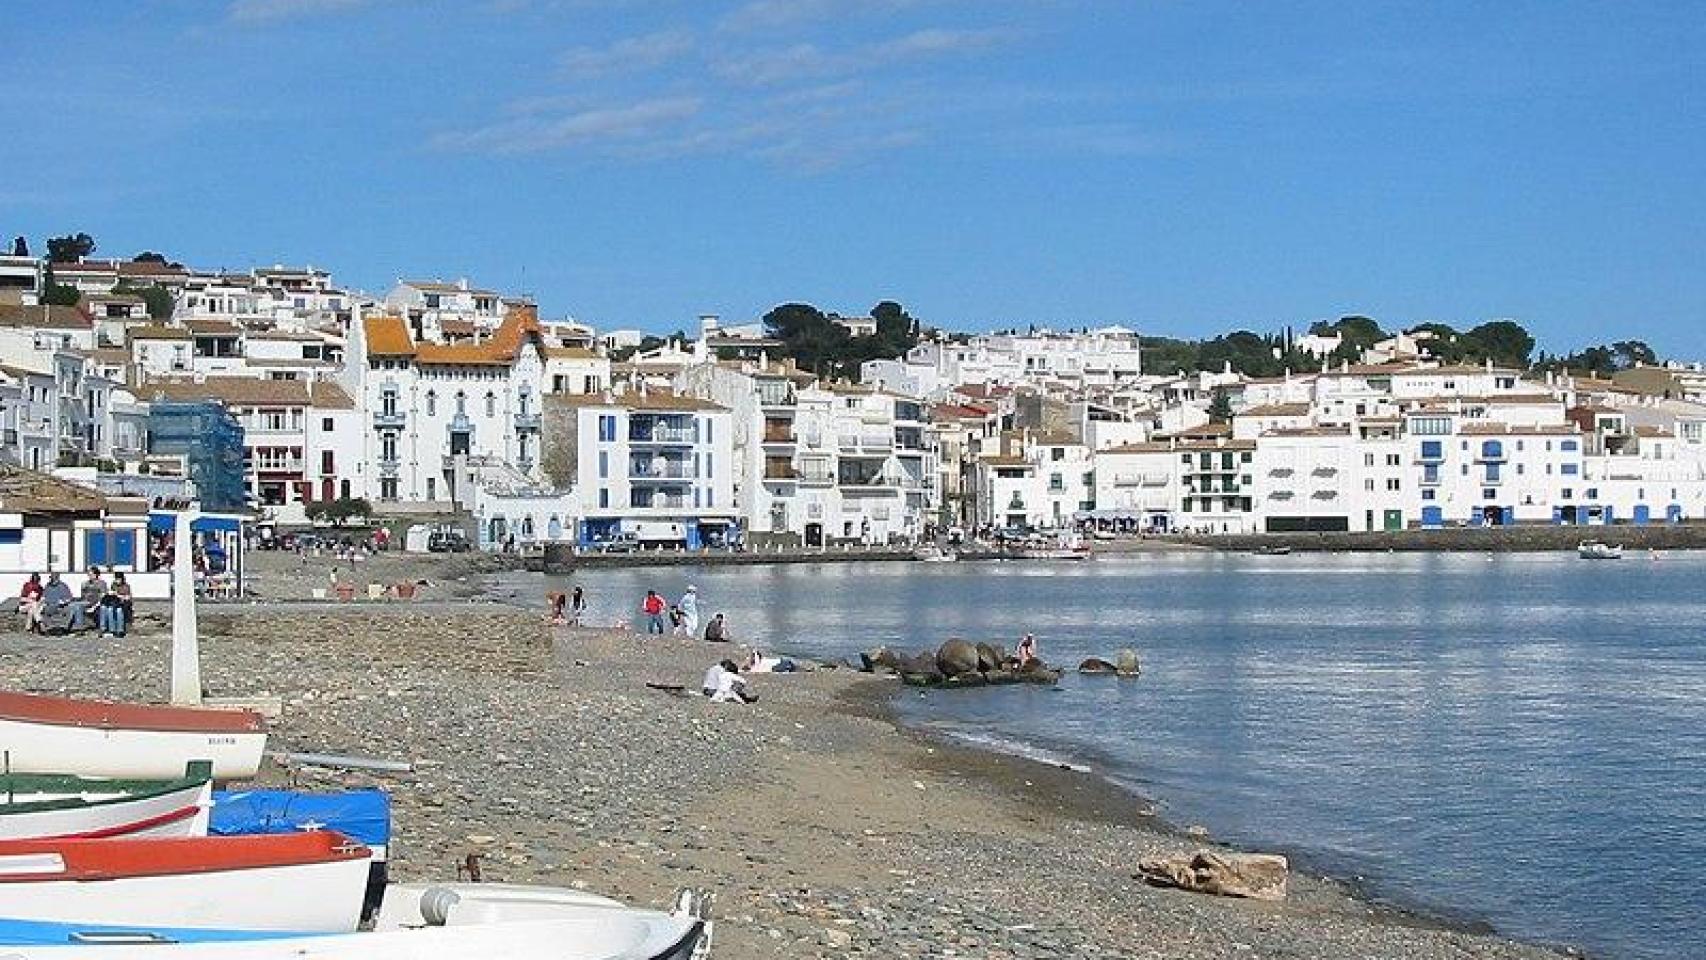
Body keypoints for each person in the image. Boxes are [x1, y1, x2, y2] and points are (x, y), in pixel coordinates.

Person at [79, 567, 107, 634]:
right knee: (76, 606)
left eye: (91, 574)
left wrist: (93, 607)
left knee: (102, 608)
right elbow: (83, 596)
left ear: (96, 575)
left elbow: (102, 598)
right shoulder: (85, 583)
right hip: (87, 602)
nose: (89, 576)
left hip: (97, 603)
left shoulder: (101, 583)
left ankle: (102, 628)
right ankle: (79, 628)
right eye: (88, 574)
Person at [106, 573, 132, 638]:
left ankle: (120, 630)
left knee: (119, 611)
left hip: (123, 604)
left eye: (118, 579)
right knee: (110, 610)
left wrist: (117, 595)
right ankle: (112, 630)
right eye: (116, 579)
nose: (117, 581)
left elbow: (127, 598)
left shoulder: (126, 586)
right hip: (114, 603)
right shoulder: (113, 585)